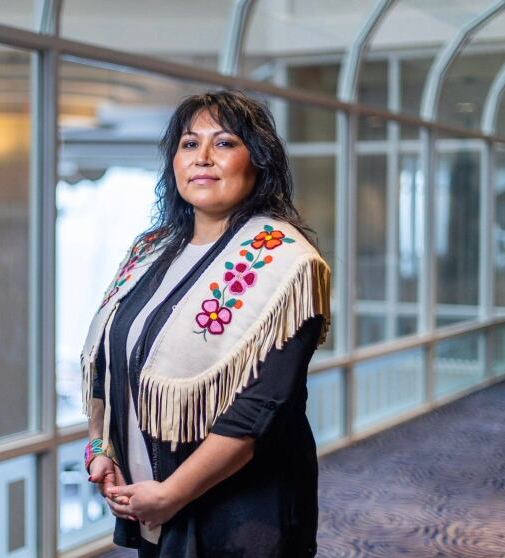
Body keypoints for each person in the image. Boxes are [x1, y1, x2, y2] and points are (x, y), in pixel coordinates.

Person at [80, 89, 332, 557]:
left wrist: (171, 494)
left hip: (241, 512)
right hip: (151, 495)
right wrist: (101, 452)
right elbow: (108, 361)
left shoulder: (287, 265)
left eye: (225, 143)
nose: (204, 159)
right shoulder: (150, 250)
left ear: (257, 161)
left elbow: (257, 411)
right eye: (189, 144)